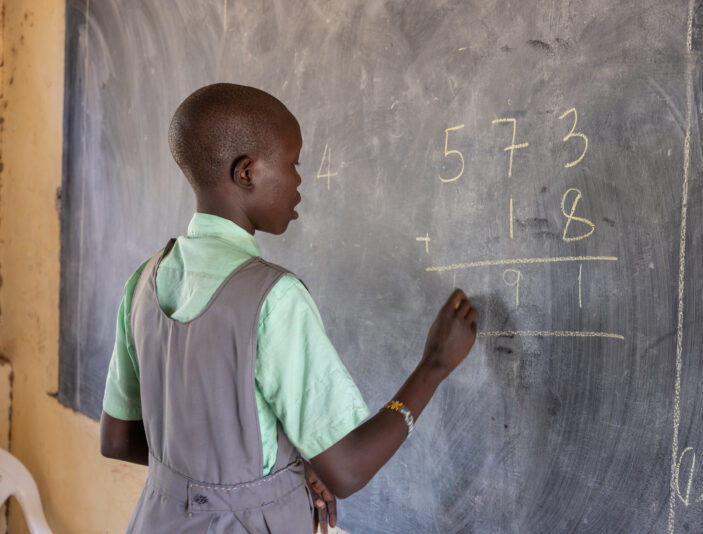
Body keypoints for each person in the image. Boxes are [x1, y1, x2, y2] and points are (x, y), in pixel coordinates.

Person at [100, 83, 478, 534]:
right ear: (246, 173)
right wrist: (434, 365)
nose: (300, 181)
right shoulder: (272, 297)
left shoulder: (142, 281)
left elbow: (118, 438)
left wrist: (264, 467)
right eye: (293, 163)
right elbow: (348, 469)